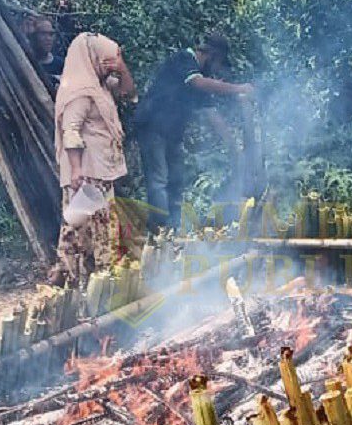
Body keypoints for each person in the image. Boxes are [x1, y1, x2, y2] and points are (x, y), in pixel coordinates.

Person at [134, 33, 253, 232]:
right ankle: (159, 232)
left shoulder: (199, 79)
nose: (216, 71)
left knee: (176, 181)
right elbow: (197, 82)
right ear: (213, 55)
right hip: (153, 126)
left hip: (172, 133)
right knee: (159, 180)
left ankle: (173, 231)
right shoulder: (184, 60)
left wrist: (234, 148)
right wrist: (238, 88)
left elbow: (212, 115)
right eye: (219, 64)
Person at [50, 32, 136, 286]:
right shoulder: (79, 91)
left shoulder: (99, 86)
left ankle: (87, 279)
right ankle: (81, 280)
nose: (107, 67)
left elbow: (129, 93)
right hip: (87, 173)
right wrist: (76, 170)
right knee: (85, 230)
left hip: (101, 169)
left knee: (94, 227)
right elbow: (71, 132)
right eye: (105, 62)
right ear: (90, 60)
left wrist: (122, 68)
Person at [29, 17, 65, 85]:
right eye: (43, 34)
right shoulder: (26, 63)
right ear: (33, 36)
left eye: (51, 34)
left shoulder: (61, 65)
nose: (48, 38)